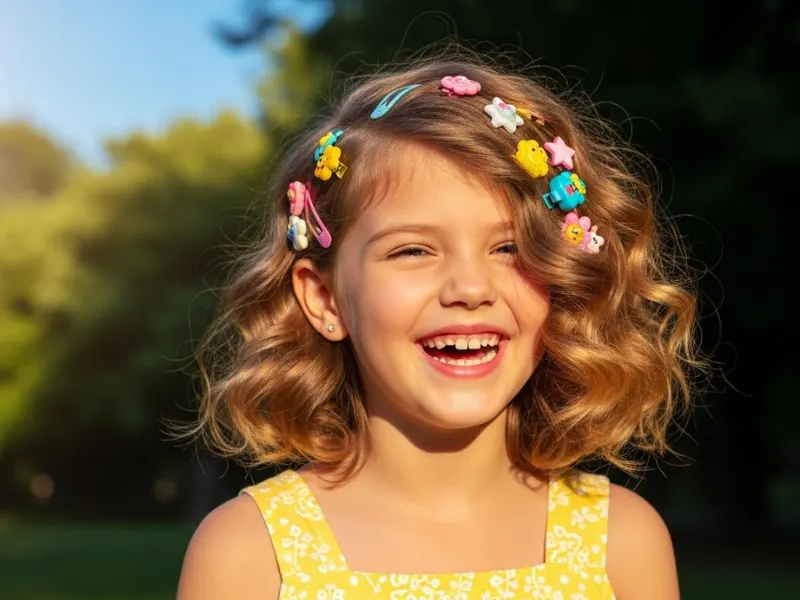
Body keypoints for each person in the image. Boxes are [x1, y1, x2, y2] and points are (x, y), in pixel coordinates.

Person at [176, 57, 703, 600]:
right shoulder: (249, 555)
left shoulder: (622, 543)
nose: (470, 288)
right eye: (413, 250)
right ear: (325, 298)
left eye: (510, 249)